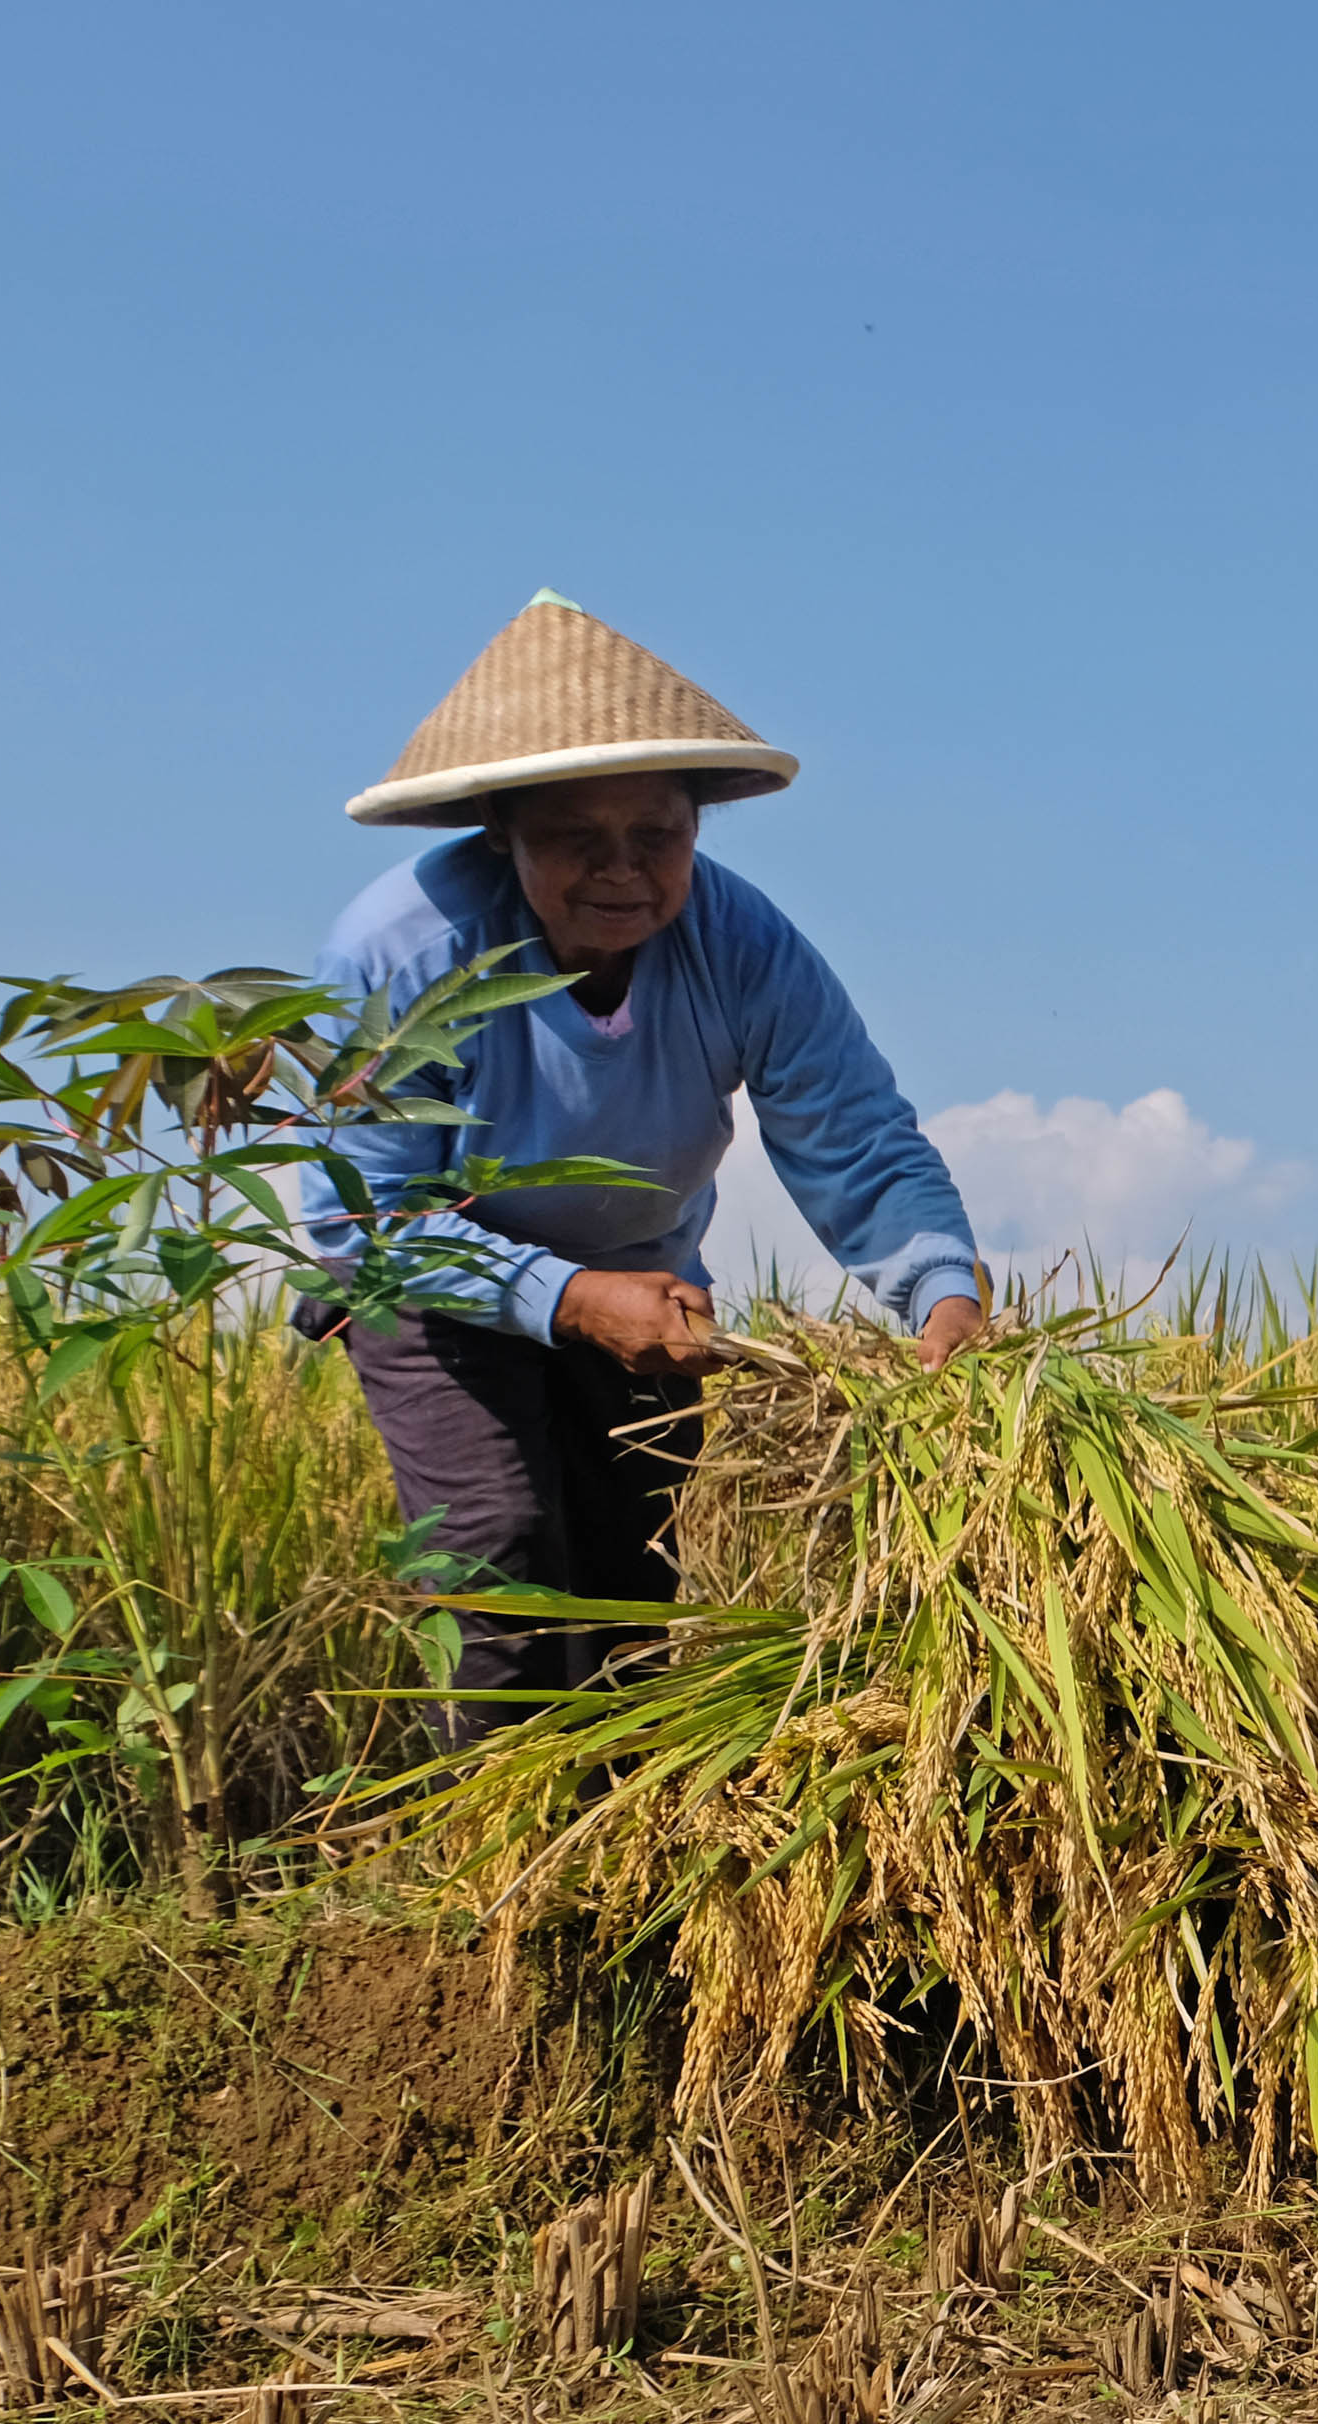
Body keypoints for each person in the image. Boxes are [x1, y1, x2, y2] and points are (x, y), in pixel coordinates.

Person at [306, 591, 985, 1720]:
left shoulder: (743, 942)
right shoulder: (405, 952)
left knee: (634, 1585)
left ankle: (620, 1865)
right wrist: (568, 1298)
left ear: (696, 831)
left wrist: (942, 1290)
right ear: (503, 835)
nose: (624, 872)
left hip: (648, 1283)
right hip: (430, 1285)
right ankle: (507, 1866)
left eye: (658, 838)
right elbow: (368, 1218)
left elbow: (854, 1134)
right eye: (578, 840)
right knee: (500, 1561)